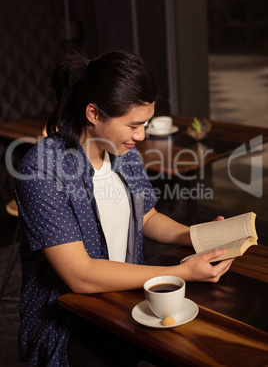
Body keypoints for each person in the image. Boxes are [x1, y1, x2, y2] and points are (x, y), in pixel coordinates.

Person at [15, 50, 233, 366]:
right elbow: (81, 275)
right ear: (93, 113)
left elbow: (147, 215)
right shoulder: (43, 169)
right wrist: (181, 272)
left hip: (123, 299)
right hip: (68, 322)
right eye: (134, 125)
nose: (141, 136)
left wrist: (197, 236)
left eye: (145, 123)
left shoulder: (122, 152)